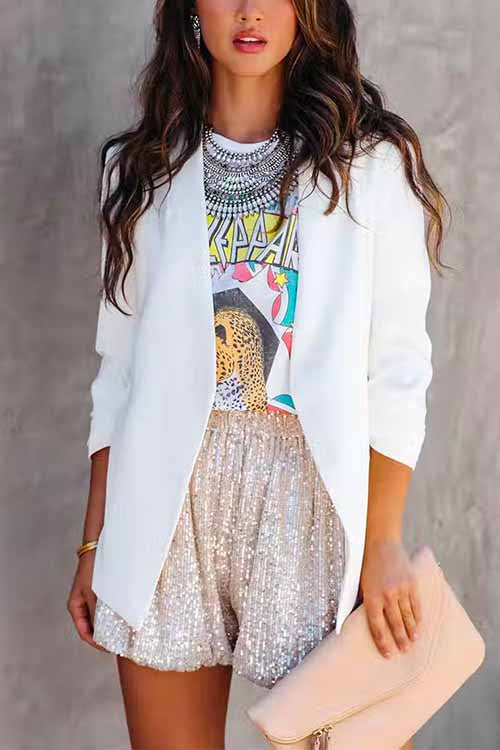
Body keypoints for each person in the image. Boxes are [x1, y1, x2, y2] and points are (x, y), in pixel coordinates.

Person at [67, 1, 449, 747]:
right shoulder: (140, 168)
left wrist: (382, 540)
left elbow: (399, 368)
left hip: (309, 498)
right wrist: (94, 544)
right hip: (166, 505)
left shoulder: (370, 164)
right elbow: (119, 374)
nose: (249, 11)